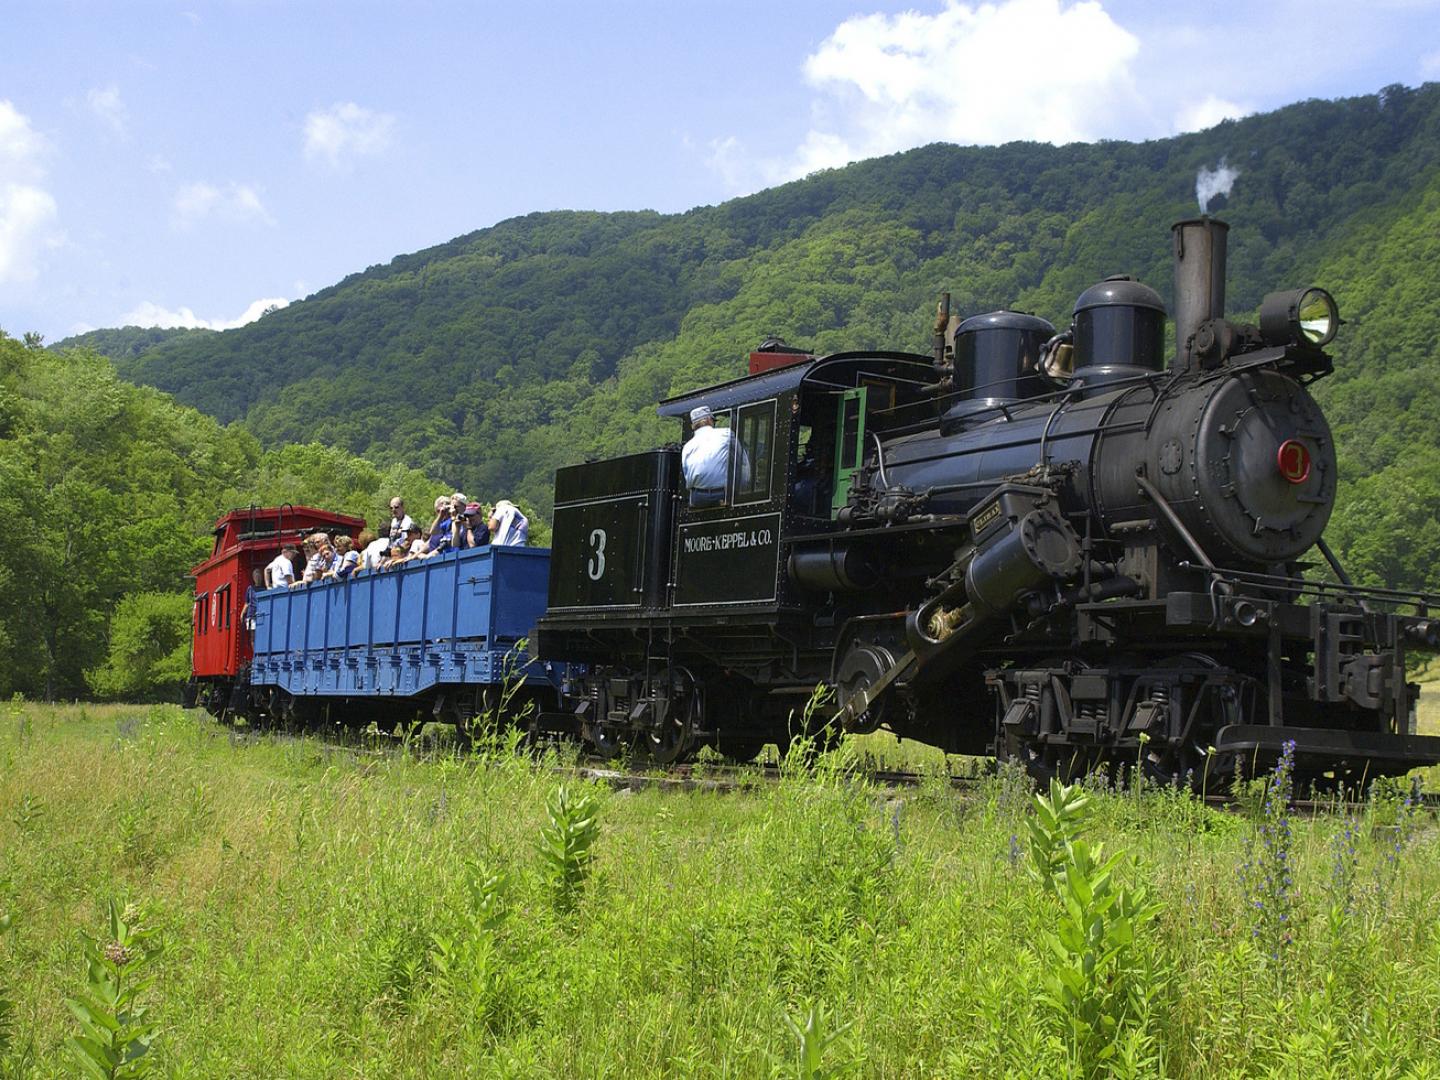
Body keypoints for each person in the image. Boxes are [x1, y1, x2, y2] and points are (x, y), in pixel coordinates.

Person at [681, 404, 739, 508]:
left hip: (698, 498)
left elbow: (687, 477)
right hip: (721, 494)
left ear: (693, 425)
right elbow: (741, 460)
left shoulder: (687, 447)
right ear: (708, 420)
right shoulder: (726, 434)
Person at [240, 568, 262, 634]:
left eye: (259, 576)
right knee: (253, 636)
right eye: (256, 576)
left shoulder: (264, 589)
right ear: (253, 578)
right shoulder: (250, 589)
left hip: (261, 614)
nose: (257, 578)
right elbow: (247, 603)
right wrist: (242, 613)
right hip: (251, 615)